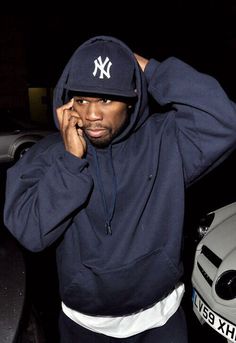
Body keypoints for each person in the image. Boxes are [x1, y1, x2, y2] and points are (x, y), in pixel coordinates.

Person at [3, 35, 236, 343]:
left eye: (107, 99)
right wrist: (71, 162)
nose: (92, 114)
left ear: (131, 99)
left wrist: (152, 70)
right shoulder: (48, 156)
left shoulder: (165, 142)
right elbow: (30, 232)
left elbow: (225, 120)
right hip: (83, 327)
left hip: (161, 321)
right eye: (82, 100)